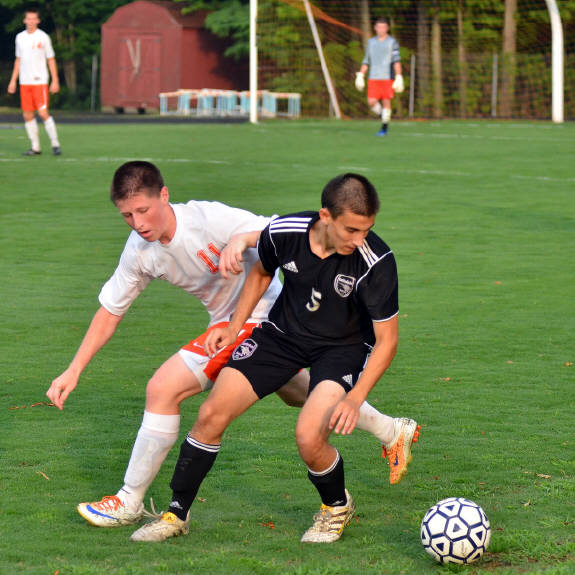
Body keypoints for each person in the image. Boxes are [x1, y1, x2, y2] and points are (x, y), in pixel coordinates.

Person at [46, 161, 407, 529]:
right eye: (127, 215)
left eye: (143, 210)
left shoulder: (207, 219)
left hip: (265, 316)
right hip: (239, 325)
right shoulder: (140, 250)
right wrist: (74, 369)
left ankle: (129, 500)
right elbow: (111, 310)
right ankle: (390, 429)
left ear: (164, 196)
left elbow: (277, 231)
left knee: (163, 389)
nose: (138, 222)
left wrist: (241, 239)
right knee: (305, 395)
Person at [130, 173, 420, 544]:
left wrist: (355, 397)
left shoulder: (376, 261)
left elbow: (387, 341)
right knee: (211, 413)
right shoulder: (285, 231)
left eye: (367, 230)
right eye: (351, 230)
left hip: (342, 348)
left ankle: (336, 506)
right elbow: (262, 271)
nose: (359, 240)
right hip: (282, 335)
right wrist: (234, 328)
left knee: (309, 436)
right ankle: (176, 515)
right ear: (325, 216)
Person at [7, 8, 61, 156]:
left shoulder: (43, 37)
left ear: (38, 20)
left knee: (43, 113)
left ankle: (55, 144)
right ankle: (35, 147)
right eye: (28, 18)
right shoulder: (20, 37)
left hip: (40, 81)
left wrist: (55, 80)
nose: (30, 21)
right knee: (27, 115)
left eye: (33, 19)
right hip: (25, 82)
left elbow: (51, 59)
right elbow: (18, 60)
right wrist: (13, 81)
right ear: (24, 20)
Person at [355, 17, 404, 137]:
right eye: (379, 27)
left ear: (387, 28)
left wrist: (398, 76)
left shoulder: (392, 42)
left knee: (386, 101)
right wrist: (361, 75)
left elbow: (396, 60)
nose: (381, 29)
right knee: (371, 102)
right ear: (375, 28)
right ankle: (384, 116)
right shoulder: (371, 42)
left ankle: (384, 128)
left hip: (387, 77)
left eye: (383, 27)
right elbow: (366, 60)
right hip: (373, 77)